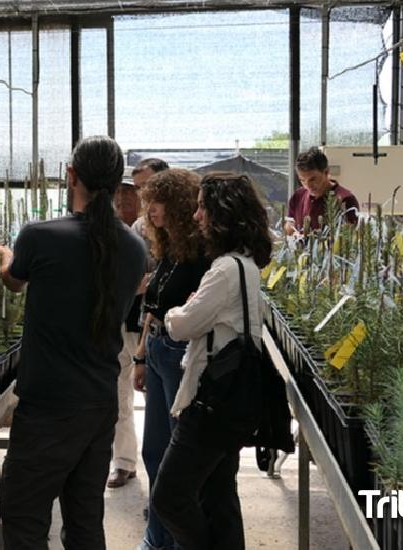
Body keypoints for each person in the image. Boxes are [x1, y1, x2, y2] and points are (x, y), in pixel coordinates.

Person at [0, 135, 146, 550]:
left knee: (24, 517)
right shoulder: (134, 247)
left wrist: (6, 256)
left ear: (70, 176)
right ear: (118, 186)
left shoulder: (40, 237)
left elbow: (13, 282)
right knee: (84, 519)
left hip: (48, 405)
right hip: (98, 403)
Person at [151, 172, 274, 549]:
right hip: (231, 401)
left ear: (222, 213)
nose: (196, 216)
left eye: (203, 207)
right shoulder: (245, 264)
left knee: (169, 497)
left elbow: (182, 325)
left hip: (210, 402)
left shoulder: (223, 270)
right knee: (218, 496)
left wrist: (174, 312)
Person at [132, 168, 210, 550]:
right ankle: (157, 538)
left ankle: (177, 540)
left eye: (155, 203)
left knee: (179, 456)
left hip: (183, 357)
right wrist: (141, 356)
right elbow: (152, 306)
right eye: (147, 204)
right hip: (160, 352)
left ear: (178, 204)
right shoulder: (166, 249)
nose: (150, 212)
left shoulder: (202, 254)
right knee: (154, 450)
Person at [107, 158, 169, 490]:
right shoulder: (138, 228)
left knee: (164, 401)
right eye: (137, 189)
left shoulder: (183, 224)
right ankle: (124, 462)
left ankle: (166, 472)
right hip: (134, 319)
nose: (140, 196)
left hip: (167, 326)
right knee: (120, 391)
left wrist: (153, 280)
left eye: (145, 187)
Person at [284, 147, 359, 236]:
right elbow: (289, 225)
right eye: (302, 180)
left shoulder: (345, 200)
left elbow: (347, 238)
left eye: (313, 179)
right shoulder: (298, 196)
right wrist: (292, 231)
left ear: (326, 172)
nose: (308, 186)